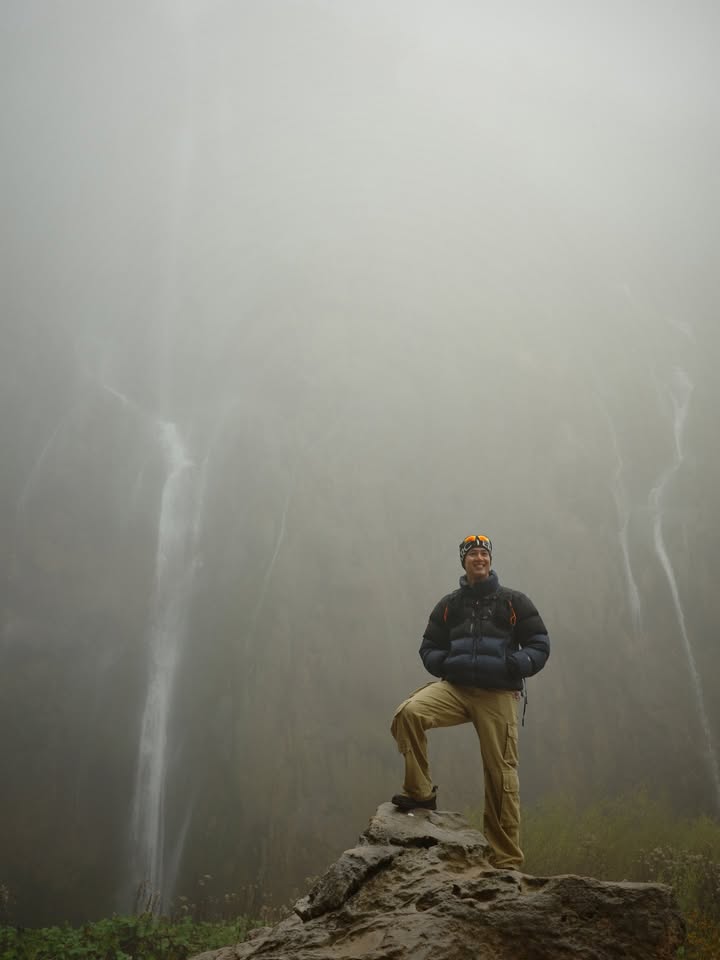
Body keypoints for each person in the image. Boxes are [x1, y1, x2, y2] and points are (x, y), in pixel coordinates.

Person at [390, 534, 550, 869]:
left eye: (484, 554)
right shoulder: (450, 605)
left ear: (490, 560)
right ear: (463, 562)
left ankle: (505, 860)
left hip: (498, 695)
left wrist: (519, 664)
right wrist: (443, 665)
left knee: (501, 775)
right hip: (456, 689)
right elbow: (429, 645)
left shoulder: (513, 602)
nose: (479, 559)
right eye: (473, 554)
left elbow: (539, 642)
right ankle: (420, 793)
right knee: (409, 713)